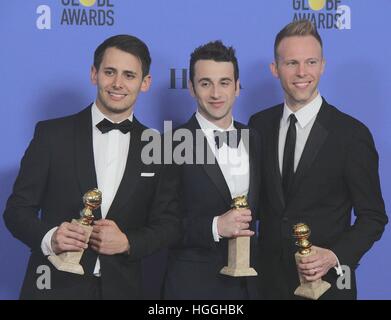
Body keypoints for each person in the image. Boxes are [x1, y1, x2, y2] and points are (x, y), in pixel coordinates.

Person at [3, 34, 180, 300]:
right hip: (52, 287)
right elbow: (17, 211)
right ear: (94, 73)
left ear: (145, 83)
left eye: (129, 75)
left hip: (122, 290)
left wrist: (129, 243)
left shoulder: (159, 147)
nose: (118, 83)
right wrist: (50, 237)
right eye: (110, 72)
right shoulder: (52, 135)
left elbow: (168, 224)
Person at [249, 20, 388, 299]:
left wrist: (334, 255)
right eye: (291, 63)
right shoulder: (258, 125)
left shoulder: (351, 134)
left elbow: (373, 217)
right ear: (275, 69)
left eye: (310, 62)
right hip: (267, 286)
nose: (302, 72)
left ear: (322, 65)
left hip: (327, 287)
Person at [162, 41, 261, 299]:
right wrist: (216, 226)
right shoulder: (169, 144)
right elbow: (161, 225)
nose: (216, 93)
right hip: (194, 288)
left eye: (225, 82)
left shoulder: (256, 139)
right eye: (205, 83)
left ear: (238, 87)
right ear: (192, 88)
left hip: (252, 288)